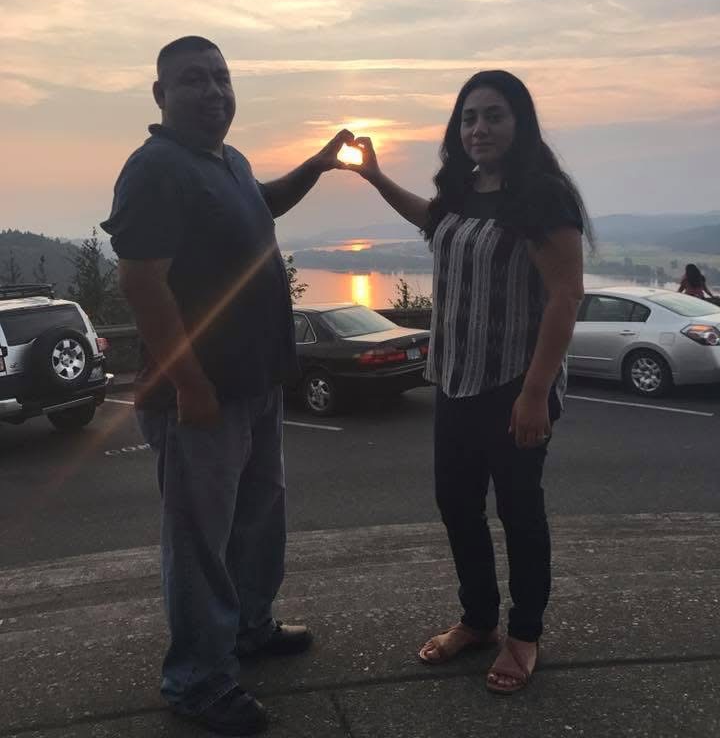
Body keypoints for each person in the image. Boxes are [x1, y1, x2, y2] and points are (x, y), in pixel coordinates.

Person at [102, 36, 353, 736]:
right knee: (199, 543)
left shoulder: (227, 162)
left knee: (257, 518)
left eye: (221, 76)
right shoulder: (155, 168)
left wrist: (319, 164)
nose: (213, 91)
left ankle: (248, 627)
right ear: (161, 95)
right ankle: (196, 680)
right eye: (194, 79)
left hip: (256, 383)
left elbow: (263, 204)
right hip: (201, 396)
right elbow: (141, 283)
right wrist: (191, 385)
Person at [342, 70, 591, 694]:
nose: (479, 129)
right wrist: (373, 176)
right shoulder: (461, 189)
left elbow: (565, 297)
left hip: (514, 385)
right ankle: (478, 620)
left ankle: (523, 633)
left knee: (519, 511)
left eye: (493, 116)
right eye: (469, 118)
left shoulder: (543, 197)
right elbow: (430, 219)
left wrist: (535, 393)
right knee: (456, 505)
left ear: (519, 123)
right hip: (454, 379)